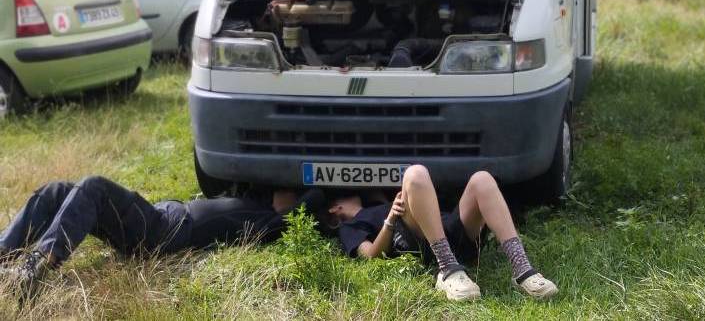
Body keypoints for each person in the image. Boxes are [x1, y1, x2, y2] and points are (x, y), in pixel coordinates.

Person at [0, 176, 321, 298]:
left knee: (94, 186)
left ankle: (38, 265)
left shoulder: (276, 222)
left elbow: (317, 195)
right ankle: (4, 253)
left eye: (289, 190)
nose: (282, 189)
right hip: (161, 217)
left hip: (165, 231)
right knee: (58, 191)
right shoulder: (255, 198)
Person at [326, 165, 558, 301]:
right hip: (420, 243)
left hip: (451, 232)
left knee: (482, 178)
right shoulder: (352, 225)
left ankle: (522, 270)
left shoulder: (375, 203)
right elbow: (369, 256)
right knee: (415, 173)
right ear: (335, 208)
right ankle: (447, 269)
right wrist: (391, 220)